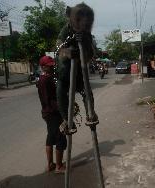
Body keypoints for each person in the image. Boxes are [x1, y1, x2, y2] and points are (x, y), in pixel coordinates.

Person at [56, 3, 98, 133]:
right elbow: (58, 47)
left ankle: (90, 114)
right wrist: (68, 52)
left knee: (87, 92)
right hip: (64, 73)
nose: (85, 20)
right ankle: (66, 119)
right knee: (60, 93)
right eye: (81, 16)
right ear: (69, 15)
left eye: (88, 16)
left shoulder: (87, 35)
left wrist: (84, 47)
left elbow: (91, 54)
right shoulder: (65, 30)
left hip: (80, 74)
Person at [37, 56, 67, 173]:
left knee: (50, 137)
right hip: (52, 113)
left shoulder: (49, 78)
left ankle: (50, 165)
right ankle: (59, 167)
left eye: (52, 65)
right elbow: (46, 100)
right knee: (60, 137)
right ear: (43, 67)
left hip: (50, 113)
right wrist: (61, 108)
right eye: (49, 66)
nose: (52, 67)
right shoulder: (44, 80)